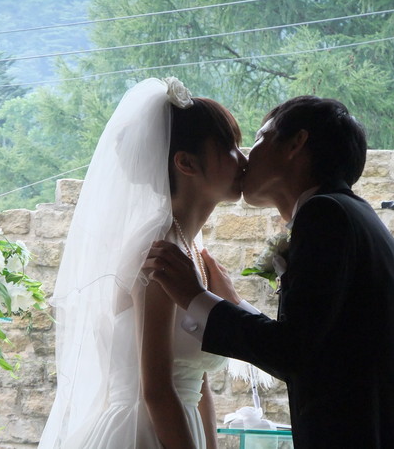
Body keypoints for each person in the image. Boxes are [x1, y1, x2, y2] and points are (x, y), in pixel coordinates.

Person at [144, 95, 394, 447]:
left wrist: (195, 298)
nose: (246, 157)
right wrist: (233, 303)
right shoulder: (346, 212)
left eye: (259, 138)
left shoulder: (325, 215)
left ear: (296, 144)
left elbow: (292, 352)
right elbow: (312, 343)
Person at [38, 77, 247, 448]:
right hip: (142, 432)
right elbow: (156, 391)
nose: (243, 160)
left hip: (180, 429)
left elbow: (198, 384)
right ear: (186, 163)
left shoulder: (193, 253)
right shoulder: (158, 255)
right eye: (229, 147)